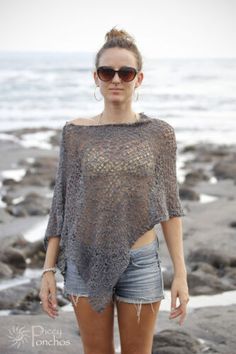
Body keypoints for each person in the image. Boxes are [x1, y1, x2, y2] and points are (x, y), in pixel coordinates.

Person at [39, 26, 189, 354]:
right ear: (96, 77)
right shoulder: (75, 134)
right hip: (84, 259)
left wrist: (181, 273)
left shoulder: (159, 135)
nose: (116, 79)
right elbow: (61, 204)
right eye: (108, 72)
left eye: (126, 72)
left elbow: (170, 207)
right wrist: (49, 269)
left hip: (142, 263)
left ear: (139, 78)